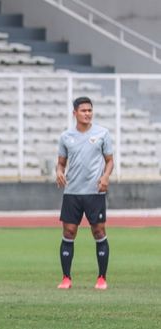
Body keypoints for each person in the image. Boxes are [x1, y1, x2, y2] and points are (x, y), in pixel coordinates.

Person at [56, 97, 113, 290]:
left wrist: (105, 176)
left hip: (94, 192)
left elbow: (110, 161)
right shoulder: (66, 137)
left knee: (99, 232)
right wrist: (58, 171)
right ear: (75, 113)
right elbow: (61, 162)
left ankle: (102, 278)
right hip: (72, 193)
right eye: (83, 111)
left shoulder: (102, 133)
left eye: (90, 110)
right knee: (69, 232)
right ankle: (66, 278)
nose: (87, 113)